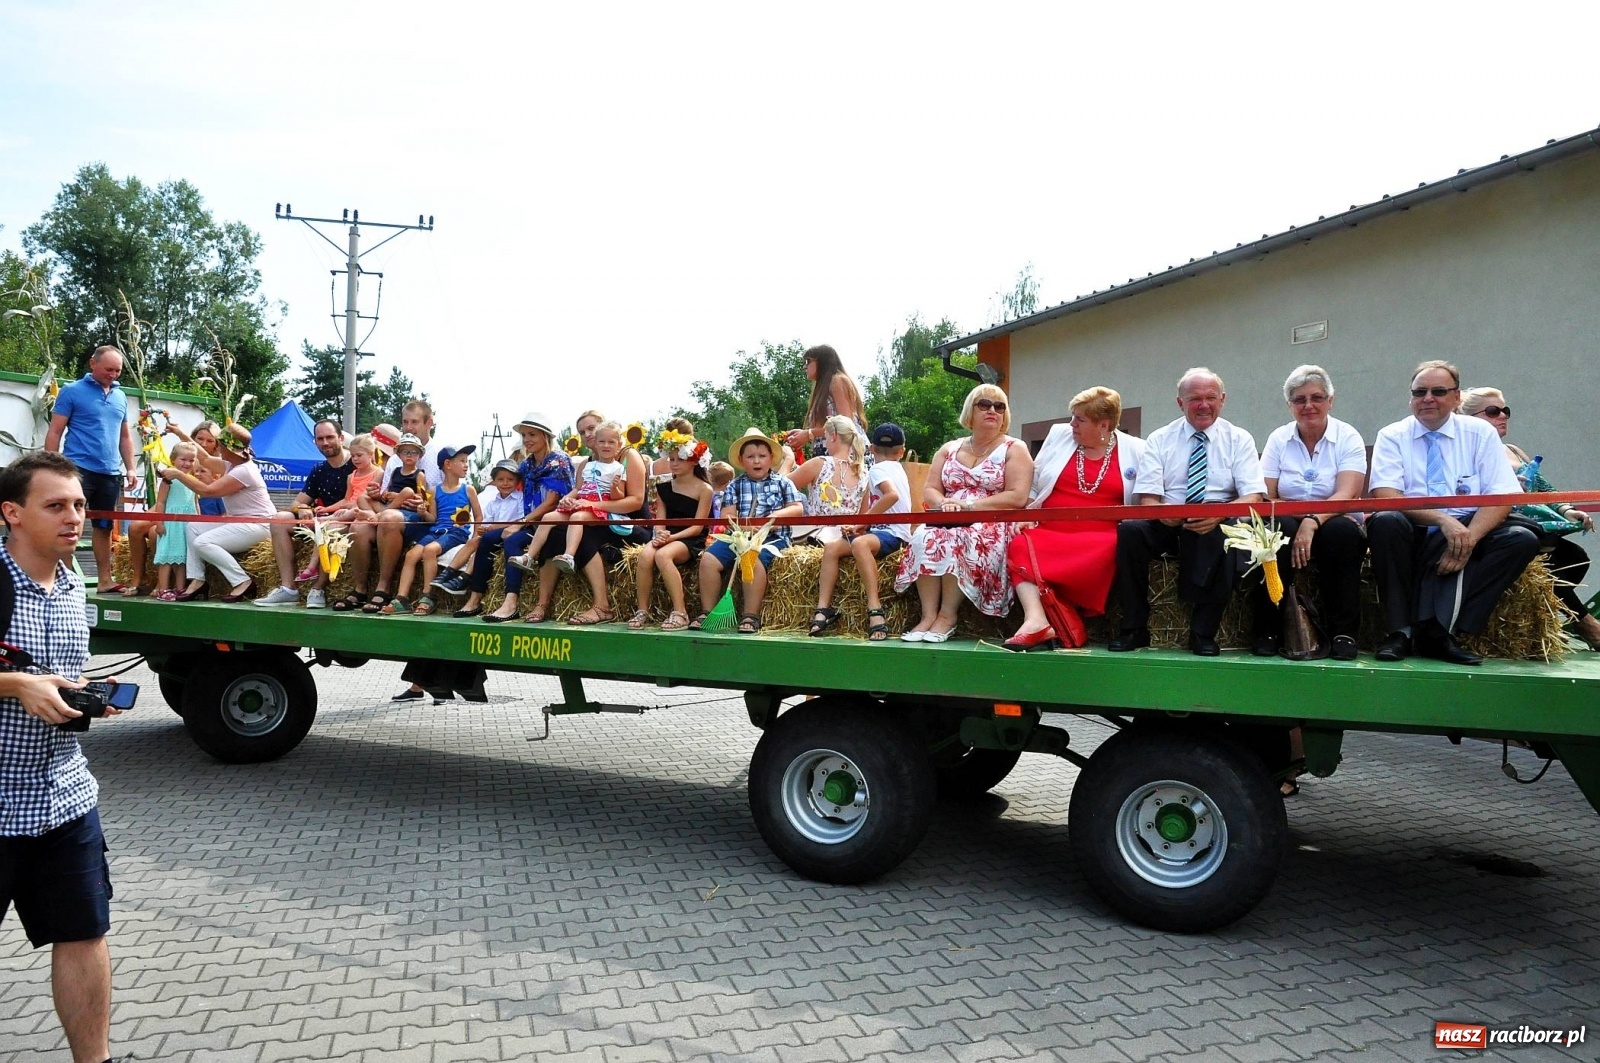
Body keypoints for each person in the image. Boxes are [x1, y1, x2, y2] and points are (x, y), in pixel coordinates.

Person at [0, 451, 130, 1063]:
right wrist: (15, 685)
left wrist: (81, 698)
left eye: (79, 505)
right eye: (56, 506)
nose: (74, 517)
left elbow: (56, 675)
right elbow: (22, 680)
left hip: (64, 797)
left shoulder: (75, 579)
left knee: (84, 935)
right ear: (12, 513)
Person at [1367, 360, 1541, 665]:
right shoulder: (1392, 435)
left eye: (1438, 391)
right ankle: (1400, 632)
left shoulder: (1479, 433)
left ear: (1457, 397)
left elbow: (1502, 496)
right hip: (1417, 525)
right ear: (1410, 398)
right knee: (1385, 522)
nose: (1428, 398)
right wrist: (1443, 520)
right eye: (1419, 392)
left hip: (1471, 525)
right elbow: (1386, 495)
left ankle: (1442, 631)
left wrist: (1468, 538)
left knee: (1522, 539)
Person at [1109, 367, 1266, 657]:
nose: (1203, 405)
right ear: (1180, 403)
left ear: (1222, 400)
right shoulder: (1160, 438)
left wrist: (1220, 514)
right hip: (1169, 519)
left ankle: (1203, 632)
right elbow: (1148, 497)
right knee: (1130, 530)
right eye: (1195, 399)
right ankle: (1134, 627)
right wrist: (1160, 513)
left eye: (1210, 397)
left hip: (1216, 518)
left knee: (1224, 534)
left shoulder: (1239, 438)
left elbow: (1252, 494)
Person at [1006, 387, 1147, 652]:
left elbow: (1142, 499)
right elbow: (1035, 483)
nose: (1071, 424)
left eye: (1080, 420)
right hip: (1051, 527)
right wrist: (1027, 512)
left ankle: (1068, 613)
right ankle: (1035, 620)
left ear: (1103, 425)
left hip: (1102, 535)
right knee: (1019, 544)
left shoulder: (1137, 450)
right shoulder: (1059, 436)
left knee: (1113, 548)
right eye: (1073, 417)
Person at [1461, 386, 1600, 650]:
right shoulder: (1468, 452)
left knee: (1575, 558)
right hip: (1498, 527)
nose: (1503, 416)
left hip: (1534, 525)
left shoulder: (1512, 449)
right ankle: (1585, 623)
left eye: (1505, 410)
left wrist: (1567, 510)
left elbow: (1544, 488)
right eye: (1493, 411)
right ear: (1470, 419)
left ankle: (1569, 620)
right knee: (1548, 560)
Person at [895, 385, 1034, 642]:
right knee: (924, 535)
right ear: (971, 410)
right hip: (950, 514)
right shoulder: (949, 448)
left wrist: (969, 507)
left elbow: (1017, 496)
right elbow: (930, 490)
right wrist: (945, 502)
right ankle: (928, 616)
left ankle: (947, 616)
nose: (992, 410)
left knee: (960, 537)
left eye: (999, 406)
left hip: (991, 519)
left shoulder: (1015, 448)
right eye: (984, 404)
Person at [1256, 365, 1369, 660]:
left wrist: (1313, 520)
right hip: (1288, 516)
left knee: (1342, 534)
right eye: (1299, 399)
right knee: (1275, 531)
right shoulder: (1278, 439)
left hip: (1335, 517)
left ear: (1331, 400)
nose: (1309, 405)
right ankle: (1269, 629)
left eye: (1317, 397)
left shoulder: (1348, 436)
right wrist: (1302, 520)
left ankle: (1343, 632)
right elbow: (1267, 493)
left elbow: (1348, 493)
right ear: (1289, 405)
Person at [522, 410, 650, 627]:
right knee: (556, 532)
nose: (587, 435)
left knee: (584, 532)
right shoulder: (587, 464)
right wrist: (569, 501)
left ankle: (602, 606)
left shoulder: (627, 457)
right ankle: (542, 603)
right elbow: (579, 492)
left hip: (628, 523)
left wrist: (590, 505)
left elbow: (635, 502)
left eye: (591, 428)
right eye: (582, 432)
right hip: (592, 516)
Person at [690, 427, 804, 634]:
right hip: (739, 536)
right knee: (708, 559)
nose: (757, 461)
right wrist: (745, 526)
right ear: (742, 461)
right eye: (751, 457)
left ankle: (751, 615)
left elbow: (797, 508)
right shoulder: (735, 485)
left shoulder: (783, 483)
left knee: (751, 558)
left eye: (762, 456)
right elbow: (727, 516)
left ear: (771, 458)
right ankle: (707, 611)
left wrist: (773, 517)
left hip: (772, 537)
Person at [43, 345, 137, 594]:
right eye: (109, 369)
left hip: (110, 472)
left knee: (104, 527)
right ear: (92, 364)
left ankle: (105, 580)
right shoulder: (72, 391)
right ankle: (64, 580)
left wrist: (130, 468)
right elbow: (55, 431)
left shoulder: (121, 396)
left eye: (118, 370)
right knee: (67, 525)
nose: (113, 374)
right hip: (77, 469)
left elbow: (125, 437)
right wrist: (52, 469)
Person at [812, 422, 913, 642]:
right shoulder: (897, 469)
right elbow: (868, 507)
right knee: (833, 547)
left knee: (859, 544)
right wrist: (859, 524)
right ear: (902, 451)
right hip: (879, 532)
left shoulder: (877, 469)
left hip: (893, 533)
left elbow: (891, 496)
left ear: (872, 449)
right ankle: (824, 608)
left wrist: (863, 523)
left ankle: (874, 608)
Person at [468, 414, 573, 623]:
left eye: (532, 434)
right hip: (531, 522)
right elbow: (510, 486)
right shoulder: (526, 465)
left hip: (552, 522)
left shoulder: (559, 461)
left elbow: (551, 502)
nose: (527, 439)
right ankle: (475, 597)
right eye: (524, 435)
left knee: (513, 540)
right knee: (487, 539)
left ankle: (511, 601)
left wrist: (520, 522)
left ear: (545, 436)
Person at [254, 418, 353, 609]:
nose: (325, 443)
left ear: (341, 438)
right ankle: (288, 588)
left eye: (330, 437)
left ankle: (318, 589)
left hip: (346, 522)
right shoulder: (318, 470)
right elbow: (297, 502)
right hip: (319, 521)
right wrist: (303, 509)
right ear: (315, 442)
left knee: (329, 527)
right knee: (279, 519)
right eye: (320, 439)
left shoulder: (358, 462)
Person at [160, 449, 277, 603]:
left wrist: (178, 474)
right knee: (193, 527)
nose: (219, 448)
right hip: (240, 521)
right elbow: (205, 458)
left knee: (202, 542)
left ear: (231, 449)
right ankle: (197, 580)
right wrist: (179, 431)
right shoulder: (232, 464)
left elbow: (207, 491)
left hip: (259, 525)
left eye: (222, 445)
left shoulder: (243, 471)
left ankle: (243, 581)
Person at [627, 431, 713, 630]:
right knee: (645, 556)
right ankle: (642, 609)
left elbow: (698, 526)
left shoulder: (704, 489)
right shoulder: (663, 487)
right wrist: (659, 534)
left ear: (694, 461)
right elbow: (660, 520)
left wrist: (670, 538)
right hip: (668, 535)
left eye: (680, 459)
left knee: (663, 556)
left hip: (689, 537)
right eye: (671, 459)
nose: (674, 463)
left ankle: (680, 611)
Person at [381, 445, 479, 616]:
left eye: (467, 462)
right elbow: (432, 519)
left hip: (456, 533)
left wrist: (476, 538)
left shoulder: (468, 490)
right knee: (411, 555)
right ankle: (402, 599)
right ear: (448, 464)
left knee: (429, 550)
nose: (466, 465)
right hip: (437, 531)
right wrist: (423, 512)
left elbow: (479, 517)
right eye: (462, 461)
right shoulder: (434, 491)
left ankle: (428, 596)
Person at [432, 459, 523, 598]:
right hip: (493, 536)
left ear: (517, 482)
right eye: (501, 479)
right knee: (473, 541)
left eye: (510, 479)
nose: (505, 483)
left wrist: (494, 527)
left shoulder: (520, 499)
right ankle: (448, 572)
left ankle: (464, 577)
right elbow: (487, 523)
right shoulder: (493, 503)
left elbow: (521, 520)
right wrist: (483, 530)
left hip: (510, 534)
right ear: (494, 481)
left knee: (480, 543)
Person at [789, 415, 868, 547]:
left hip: (814, 538)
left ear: (834, 436)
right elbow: (863, 517)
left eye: (825, 437)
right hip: (846, 541)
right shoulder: (864, 473)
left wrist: (787, 460)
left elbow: (780, 486)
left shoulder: (820, 464)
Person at [783, 344, 867, 456]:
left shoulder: (837, 381)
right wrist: (803, 434)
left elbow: (846, 425)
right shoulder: (822, 387)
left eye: (808, 361)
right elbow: (827, 427)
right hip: (831, 452)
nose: (804, 366)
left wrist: (809, 434)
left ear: (822, 362)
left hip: (848, 453)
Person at [148, 441, 202, 601]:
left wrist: (198, 520)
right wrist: (159, 522)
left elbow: (195, 501)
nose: (187, 463)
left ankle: (180, 588)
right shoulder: (168, 480)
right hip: (171, 524)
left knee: (182, 558)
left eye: (191, 460)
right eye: (183, 459)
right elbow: (161, 502)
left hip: (187, 524)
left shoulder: (191, 480)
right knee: (166, 556)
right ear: (173, 460)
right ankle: (163, 589)